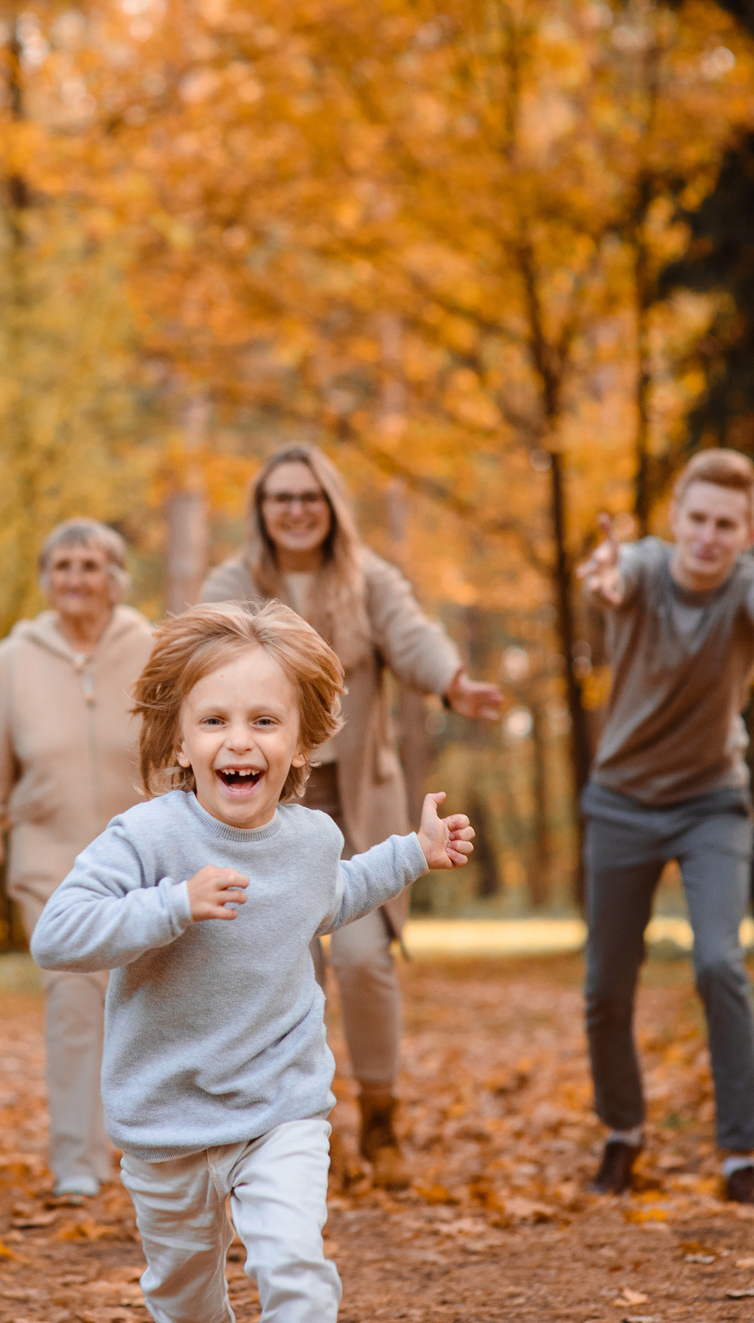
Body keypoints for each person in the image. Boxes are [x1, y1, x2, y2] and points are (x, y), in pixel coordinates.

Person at [30, 600, 475, 1323]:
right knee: (184, 1298)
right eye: (214, 722)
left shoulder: (311, 839)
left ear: (301, 746)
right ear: (180, 743)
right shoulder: (145, 838)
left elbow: (333, 895)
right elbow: (58, 934)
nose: (240, 741)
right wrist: (172, 905)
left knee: (295, 1266)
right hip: (165, 1118)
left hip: (281, 1106)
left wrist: (413, 853)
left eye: (264, 721)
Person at [198, 443, 501, 1188]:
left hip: (356, 806)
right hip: (266, 809)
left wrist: (453, 681)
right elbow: (197, 656)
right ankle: (289, 1130)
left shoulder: (368, 581)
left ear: (331, 505)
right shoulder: (235, 582)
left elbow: (414, 636)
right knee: (282, 965)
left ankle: (381, 1118)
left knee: (364, 960)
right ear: (262, 511)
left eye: (310, 496)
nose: (297, 510)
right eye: (281, 498)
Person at [574, 447, 754, 1211]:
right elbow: (619, 581)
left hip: (712, 802)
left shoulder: (751, 585)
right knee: (606, 985)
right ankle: (623, 1132)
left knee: (719, 964)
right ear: (676, 519)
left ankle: (741, 1155)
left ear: (749, 530)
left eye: (726, 523)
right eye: (697, 518)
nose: (709, 534)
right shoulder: (641, 566)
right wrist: (605, 583)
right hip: (621, 799)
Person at [0, 518, 155, 1202]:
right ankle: (77, 1156)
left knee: (146, 1001)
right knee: (72, 994)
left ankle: (153, 1147)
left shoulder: (151, 646)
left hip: (143, 853)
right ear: (46, 578)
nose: (74, 578)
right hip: (48, 857)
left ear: (115, 577)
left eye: (89, 564)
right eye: (62, 564)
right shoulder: (15, 655)